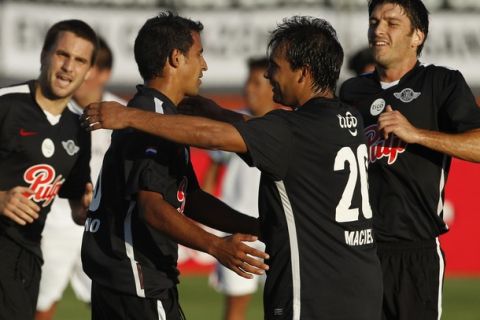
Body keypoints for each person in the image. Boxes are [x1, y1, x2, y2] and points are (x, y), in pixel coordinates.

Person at [83, 16, 383, 320]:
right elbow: (188, 197)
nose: (268, 74)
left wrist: (129, 116)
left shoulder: (152, 118)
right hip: (362, 282)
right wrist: (254, 227)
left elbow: (212, 137)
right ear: (176, 58)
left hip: (313, 292)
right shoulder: (348, 118)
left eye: (275, 66)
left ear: (303, 74)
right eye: (200, 54)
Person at [80, 12, 268, 320]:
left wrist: (254, 226)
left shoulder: (158, 114)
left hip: (127, 278)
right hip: (137, 279)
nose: (204, 65)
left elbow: (189, 197)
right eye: (200, 55)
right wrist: (216, 246)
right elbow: (151, 206)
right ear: (176, 58)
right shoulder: (152, 117)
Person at [339, 0, 480, 319]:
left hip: (413, 252)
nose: (378, 30)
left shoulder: (441, 84)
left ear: (418, 35)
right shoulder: (351, 91)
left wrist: (417, 134)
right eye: (374, 22)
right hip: (357, 249)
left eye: (391, 23)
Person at [0, 19, 97, 320]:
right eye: (62, 54)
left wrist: (83, 209)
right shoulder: (6, 105)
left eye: (79, 60)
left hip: (24, 261)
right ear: (44, 54)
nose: (69, 66)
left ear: (88, 72)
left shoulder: (79, 128)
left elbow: (73, 198)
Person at [35, 37, 125, 320]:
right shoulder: (52, 112)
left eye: (91, 65)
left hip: (103, 226)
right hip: (55, 223)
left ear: (105, 72)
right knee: (40, 304)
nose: (83, 74)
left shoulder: (124, 115)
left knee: (109, 306)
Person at [206, 57, 274, 320]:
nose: (250, 89)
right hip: (237, 231)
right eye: (248, 82)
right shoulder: (231, 127)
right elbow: (211, 175)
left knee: (284, 306)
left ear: (272, 87)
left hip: (275, 231)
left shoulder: (285, 127)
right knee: (236, 309)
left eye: (257, 83)